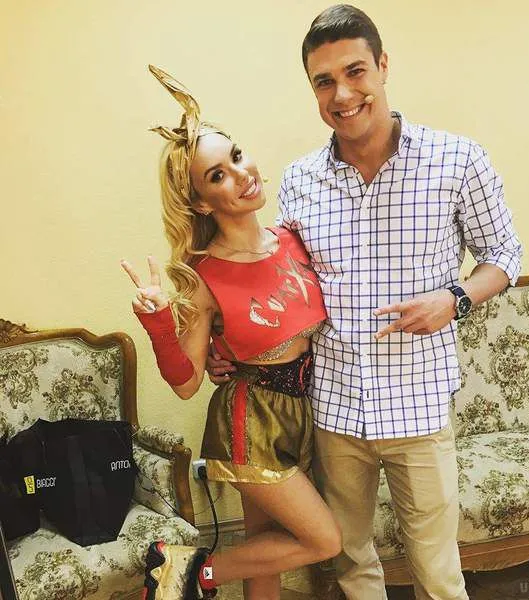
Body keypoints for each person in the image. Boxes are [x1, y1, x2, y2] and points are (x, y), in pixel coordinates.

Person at [207, 5, 523, 600]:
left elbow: (505, 253)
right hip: (334, 412)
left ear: (382, 65)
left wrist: (454, 297)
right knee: (352, 566)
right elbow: (276, 284)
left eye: (355, 72)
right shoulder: (300, 180)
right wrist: (225, 346)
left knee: (437, 574)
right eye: (324, 82)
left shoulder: (457, 160)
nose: (343, 94)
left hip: (419, 408)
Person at [121, 65, 341, 600]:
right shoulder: (203, 275)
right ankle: (189, 571)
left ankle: (186, 573)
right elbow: (185, 384)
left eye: (237, 156)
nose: (241, 175)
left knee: (268, 549)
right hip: (249, 420)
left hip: (303, 412)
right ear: (201, 202)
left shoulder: (293, 239)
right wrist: (157, 321)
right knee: (323, 539)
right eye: (217, 175)